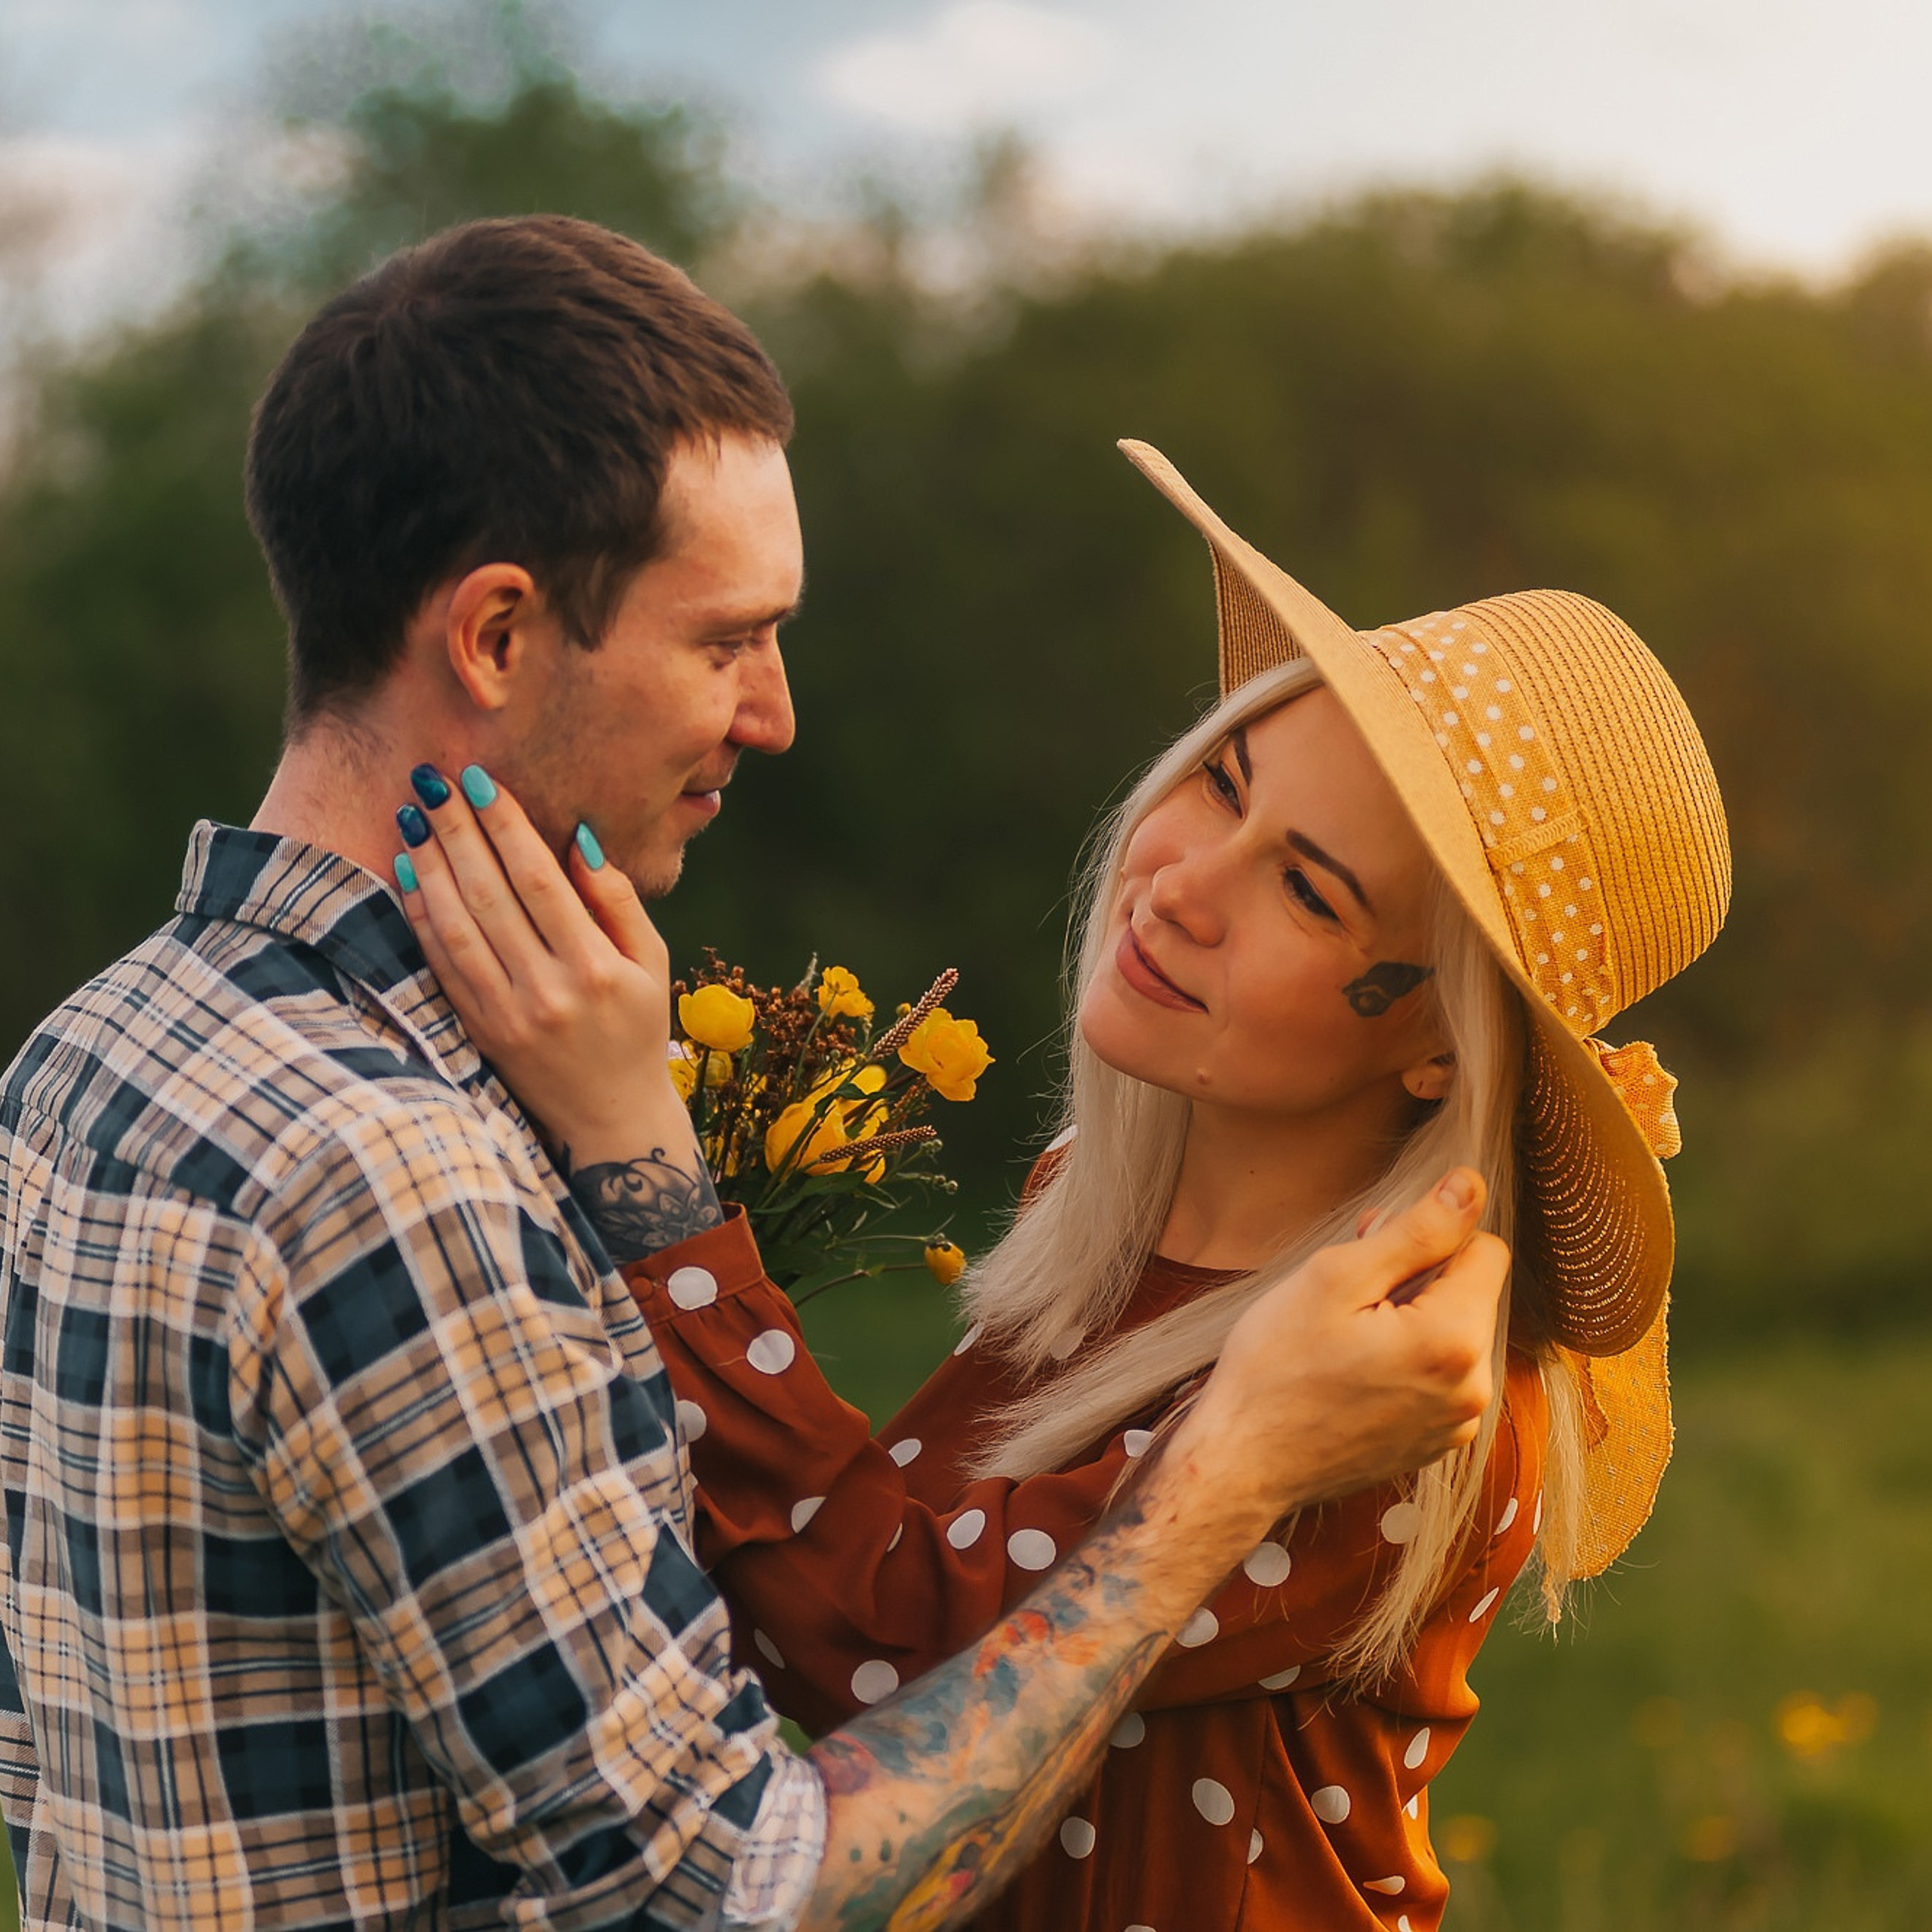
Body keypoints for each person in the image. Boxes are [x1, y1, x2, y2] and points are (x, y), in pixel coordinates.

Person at [0, 218, 1506, 1932]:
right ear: (495, 635)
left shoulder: (84, 1059)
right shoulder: (393, 1167)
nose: (774, 711)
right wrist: (1201, 1503)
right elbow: (732, 1891)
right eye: (727, 638)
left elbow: (42, 1724)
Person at [398, 438, 1729, 1930]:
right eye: (1221, 781)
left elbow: (885, 1651)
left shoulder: (1393, 1371)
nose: (1181, 882)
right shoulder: (1092, 1186)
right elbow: (890, 1547)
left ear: (1436, 1044)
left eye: (1305, 885)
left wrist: (644, 1160)